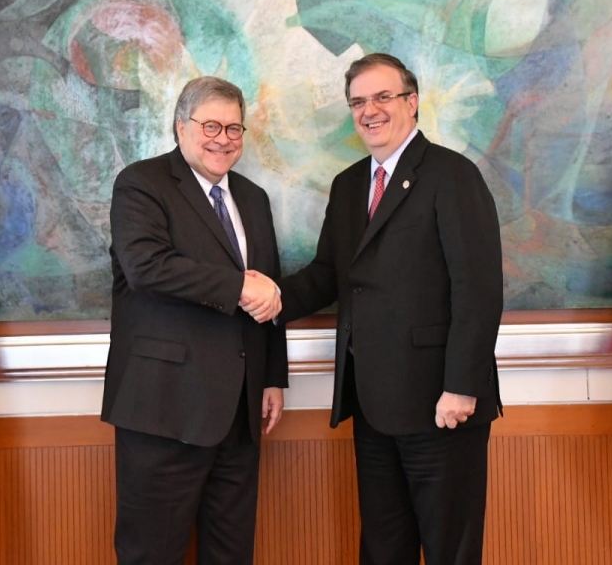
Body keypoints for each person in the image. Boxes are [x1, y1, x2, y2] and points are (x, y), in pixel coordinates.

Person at [270, 53, 504, 564]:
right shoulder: (349, 185)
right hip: (372, 405)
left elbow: (479, 291)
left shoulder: (452, 175)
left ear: (412, 103)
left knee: (450, 550)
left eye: (382, 97)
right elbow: (330, 275)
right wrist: (268, 301)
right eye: (358, 101)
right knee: (382, 548)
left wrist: (462, 386)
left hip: (441, 405)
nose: (369, 110)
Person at [102, 76, 287, 565]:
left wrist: (272, 377)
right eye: (210, 125)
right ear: (181, 126)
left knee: (231, 553)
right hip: (164, 407)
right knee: (152, 553)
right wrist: (238, 285)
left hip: (240, 415)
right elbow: (147, 267)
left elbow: (268, 291)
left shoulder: (253, 198)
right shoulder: (141, 183)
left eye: (233, 127)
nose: (223, 138)